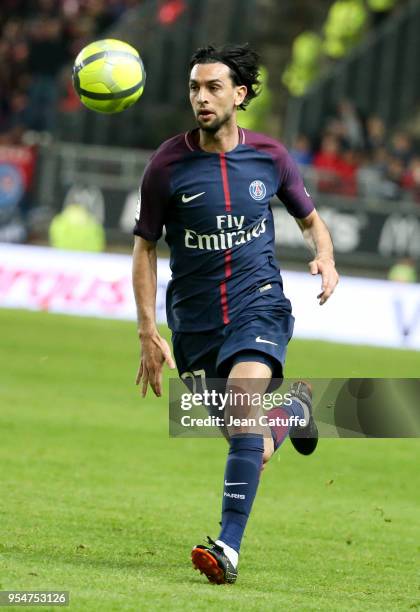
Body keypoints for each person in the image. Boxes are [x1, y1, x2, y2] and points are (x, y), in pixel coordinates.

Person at [132, 43, 339, 585]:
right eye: (195, 88)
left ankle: (228, 547)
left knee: (244, 413)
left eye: (213, 87)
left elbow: (311, 218)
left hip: (258, 304)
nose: (201, 98)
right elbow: (144, 247)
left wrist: (326, 255)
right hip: (195, 322)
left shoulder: (270, 156)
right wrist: (147, 329)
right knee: (255, 446)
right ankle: (293, 411)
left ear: (239, 95)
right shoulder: (167, 166)